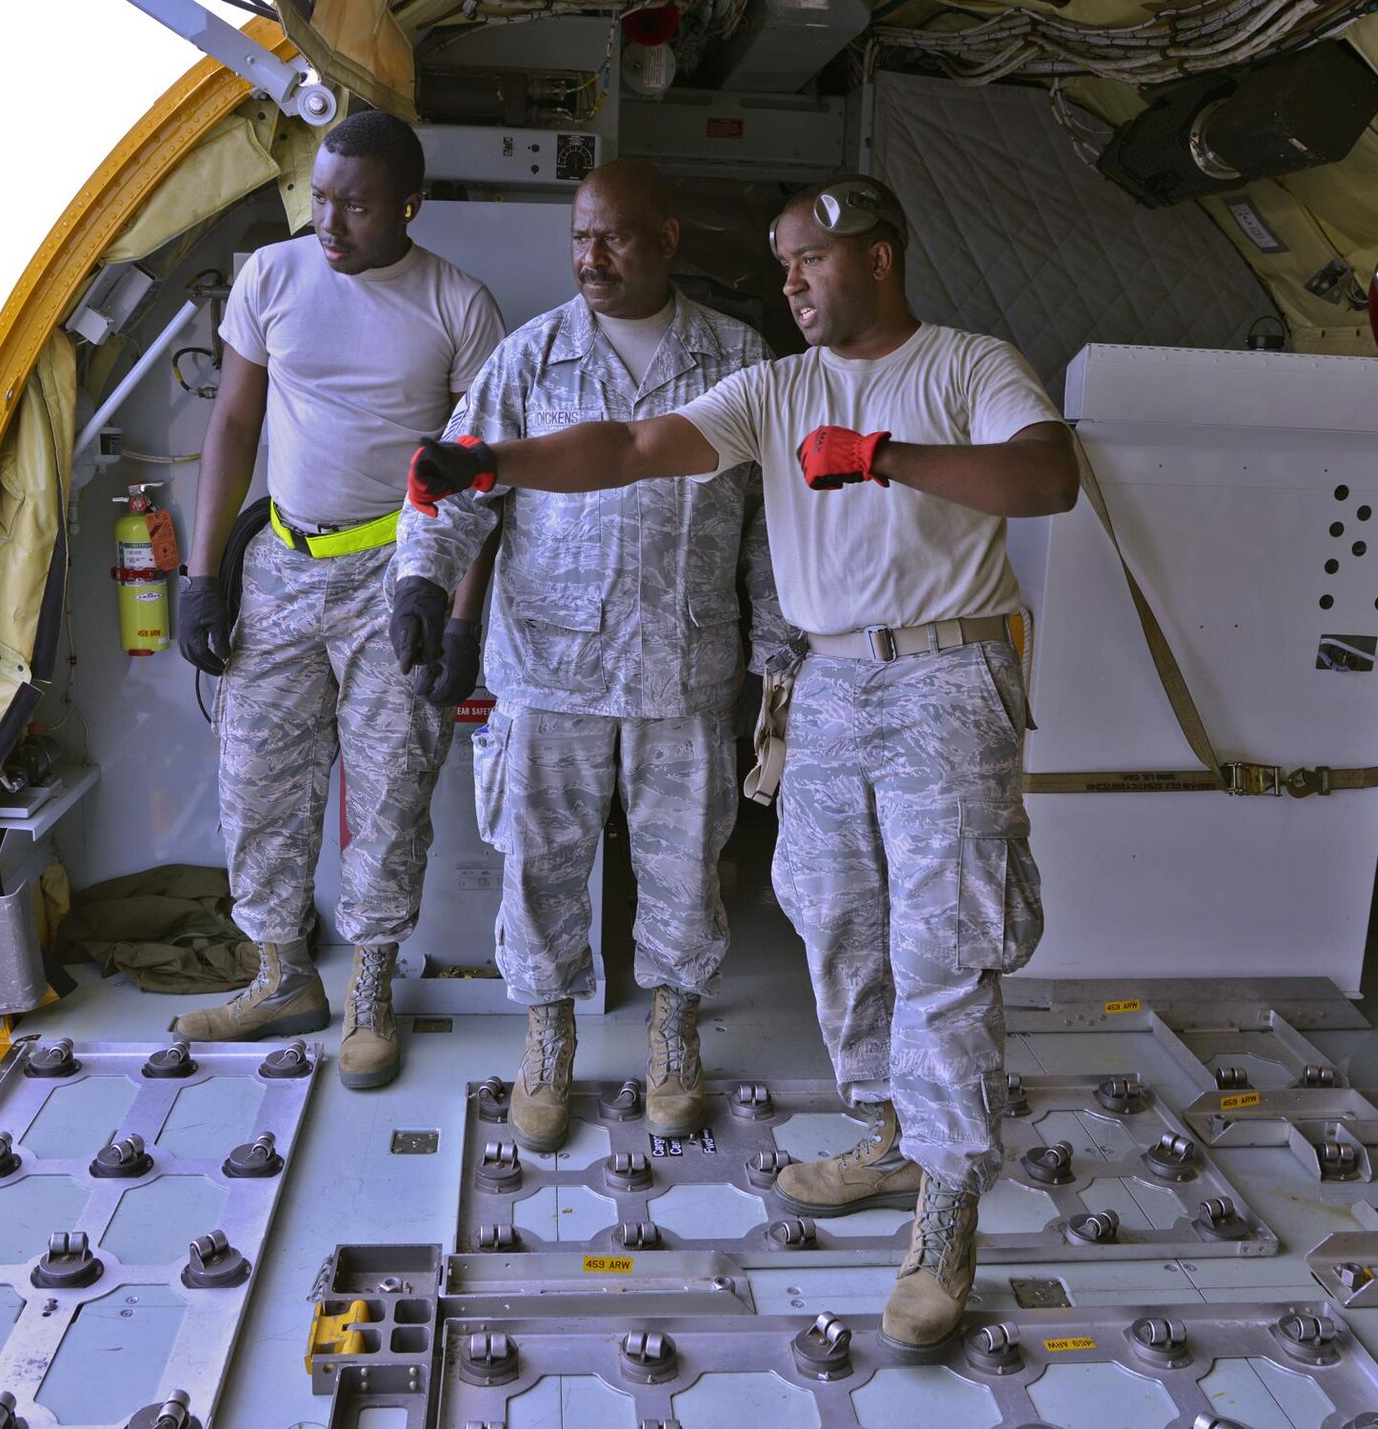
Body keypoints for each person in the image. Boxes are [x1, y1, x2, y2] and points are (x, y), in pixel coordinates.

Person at [405, 174, 1077, 1359]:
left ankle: (949, 1203)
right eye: (778, 266)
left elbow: (1044, 478)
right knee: (832, 921)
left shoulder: (970, 367)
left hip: (942, 680)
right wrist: (490, 463)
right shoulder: (772, 385)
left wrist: (881, 455)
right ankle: (883, 1133)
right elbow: (628, 444)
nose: (790, 283)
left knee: (942, 945)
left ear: (875, 253)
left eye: (807, 259)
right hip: (825, 687)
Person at [392, 159, 785, 1152]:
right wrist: (421, 584)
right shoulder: (531, 360)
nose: (589, 257)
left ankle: (672, 1033)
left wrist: (779, 659)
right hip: (548, 671)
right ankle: (546, 1036)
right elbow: (453, 483)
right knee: (538, 864)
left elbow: (768, 529)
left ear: (665, 238)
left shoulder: (738, 360)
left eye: (611, 237)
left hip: (683, 673)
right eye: (577, 237)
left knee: (685, 868)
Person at [174, 109, 506, 1092]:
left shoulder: (457, 304)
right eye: (319, 197)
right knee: (257, 779)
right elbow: (233, 423)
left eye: (354, 205)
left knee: (393, 786)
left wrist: (459, 615)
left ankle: (368, 986)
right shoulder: (269, 276)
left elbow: (483, 477)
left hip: (393, 575)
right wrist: (201, 576)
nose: (330, 221)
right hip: (279, 562)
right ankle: (279, 977)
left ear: (409, 203)